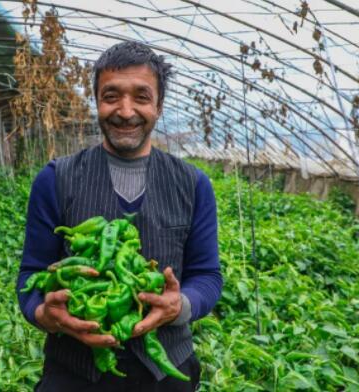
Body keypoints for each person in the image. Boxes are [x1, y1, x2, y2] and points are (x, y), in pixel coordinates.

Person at [17, 41, 222, 392]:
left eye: (141, 97)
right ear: (97, 101)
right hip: (74, 372)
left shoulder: (193, 184)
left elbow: (207, 276)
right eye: (111, 96)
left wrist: (180, 305)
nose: (125, 111)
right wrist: (44, 315)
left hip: (165, 369)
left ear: (158, 106)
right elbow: (31, 275)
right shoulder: (55, 179)